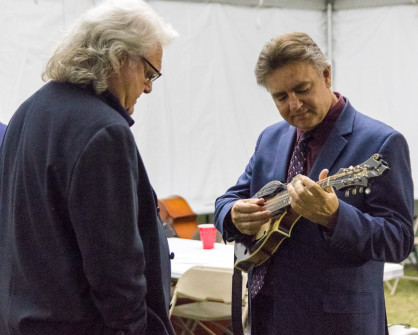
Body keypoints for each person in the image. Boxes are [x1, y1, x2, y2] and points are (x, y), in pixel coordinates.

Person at [214, 32, 414, 335]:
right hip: (266, 317)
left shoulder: (381, 142)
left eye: (302, 89)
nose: (294, 105)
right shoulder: (270, 138)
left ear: (326, 75)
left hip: (337, 324)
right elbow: (229, 199)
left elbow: (398, 239)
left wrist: (335, 217)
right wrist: (232, 213)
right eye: (280, 97)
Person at [0, 1, 177, 334]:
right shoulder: (104, 130)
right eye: (149, 72)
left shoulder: (28, 112)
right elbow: (115, 271)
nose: (150, 86)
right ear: (120, 56)